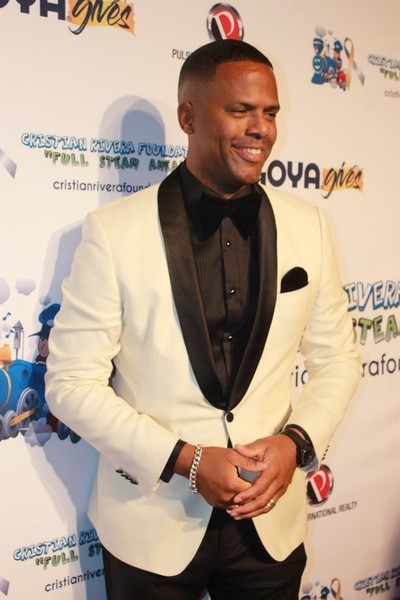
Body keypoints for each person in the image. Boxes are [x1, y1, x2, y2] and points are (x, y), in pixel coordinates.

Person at [45, 40, 361, 599]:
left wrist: (295, 444)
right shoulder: (113, 233)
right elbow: (70, 384)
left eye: (269, 112)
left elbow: (338, 360)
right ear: (187, 117)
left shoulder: (309, 226)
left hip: (270, 526)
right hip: (151, 523)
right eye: (240, 110)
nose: (261, 128)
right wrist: (186, 462)